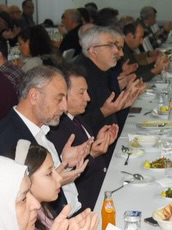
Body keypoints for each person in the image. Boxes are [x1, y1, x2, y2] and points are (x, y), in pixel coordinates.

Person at [0, 66, 90, 214]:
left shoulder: (42, 127)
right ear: (34, 96)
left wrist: (65, 163)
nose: (64, 107)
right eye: (59, 99)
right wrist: (53, 180)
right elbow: (7, 204)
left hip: (73, 210)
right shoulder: (1, 141)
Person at [48, 64, 120, 211]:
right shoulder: (56, 129)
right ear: (63, 95)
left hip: (103, 188)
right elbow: (67, 179)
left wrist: (98, 141)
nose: (88, 98)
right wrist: (92, 154)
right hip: (87, 204)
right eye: (81, 93)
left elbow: (87, 148)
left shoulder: (76, 118)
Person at [74, 24, 144, 133]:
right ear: (93, 50)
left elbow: (115, 118)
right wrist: (104, 111)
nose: (116, 50)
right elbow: (75, 125)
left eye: (115, 45)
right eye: (109, 46)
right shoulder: (79, 77)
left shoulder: (107, 71)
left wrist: (123, 103)